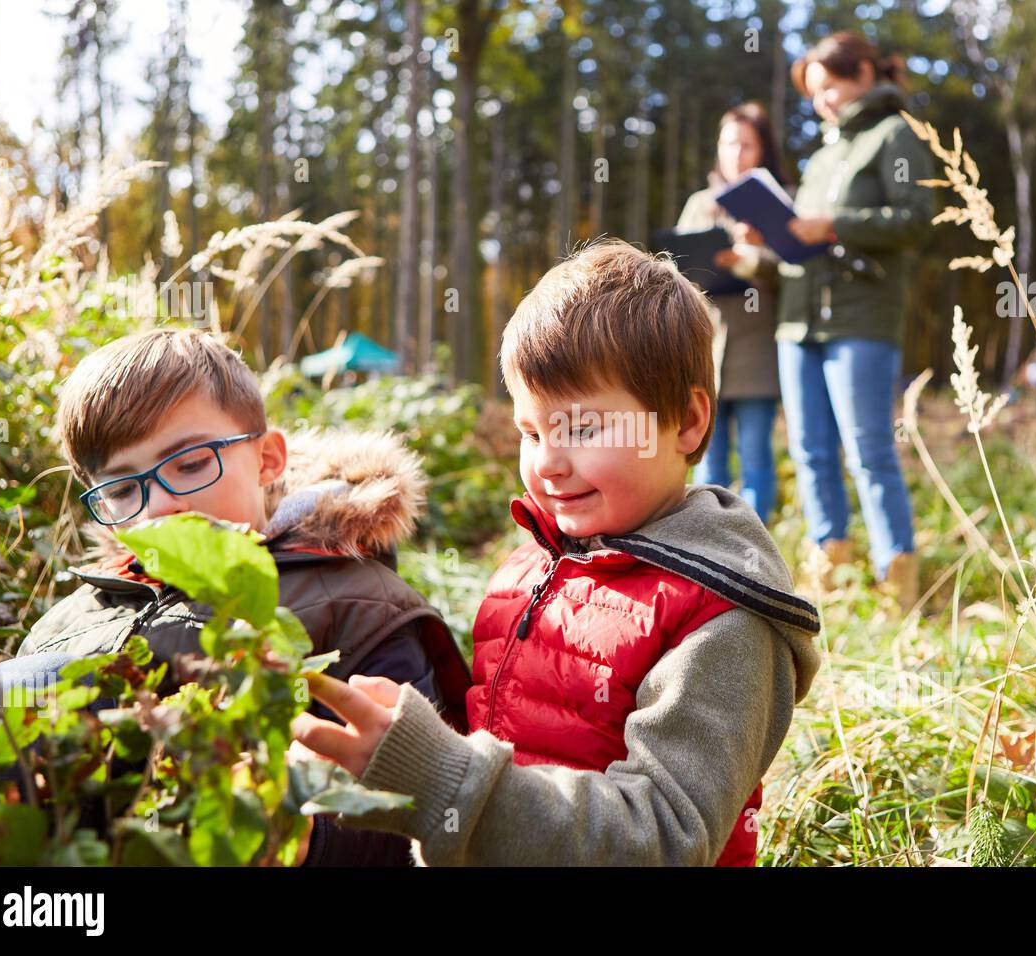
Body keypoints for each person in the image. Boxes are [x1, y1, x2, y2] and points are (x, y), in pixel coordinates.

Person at [290, 240, 821, 865]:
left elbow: (664, 837)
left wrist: (444, 777)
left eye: (584, 427)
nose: (547, 461)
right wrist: (397, 757)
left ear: (685, 421)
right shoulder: (530, 568)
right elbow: (507, 764)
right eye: (531, 431)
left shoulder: (720, 618)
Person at [0, 328, 470, 866]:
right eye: (122, 489)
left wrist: (293, 833)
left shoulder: (360, 607)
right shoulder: (72, 619)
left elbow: (402, 811)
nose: (156, 507)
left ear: (268, 458)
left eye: (191, 464)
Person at [742, 31, 934, 612]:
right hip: (798, 324)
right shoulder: (823, 154)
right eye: (815, 93)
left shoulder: (897, 134)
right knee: (810, 452)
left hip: (862, 317)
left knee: (869, 450)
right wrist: (767, 243)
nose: (823, 100)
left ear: (866, 73)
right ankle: (830, 571)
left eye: (831, 86)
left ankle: (896, 580)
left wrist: (834, 224)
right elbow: (806, 238)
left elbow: (915, 218)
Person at [676, 102, 785, 522]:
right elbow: (676, 271)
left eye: (746, 145)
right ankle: (711, 551)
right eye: (728, 144)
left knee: (756, 457)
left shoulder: (778, 202)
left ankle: (753, 559)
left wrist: (749, 255)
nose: (735, 154)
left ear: (763, 151)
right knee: (708, 463)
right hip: (704, 349)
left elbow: (789, 271)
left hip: (758, 347)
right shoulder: (700, 204)